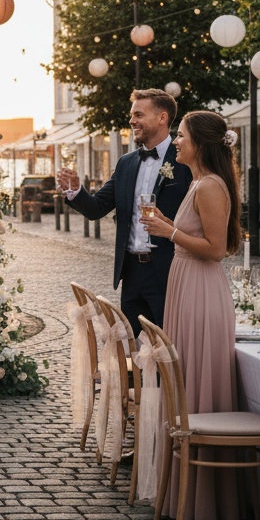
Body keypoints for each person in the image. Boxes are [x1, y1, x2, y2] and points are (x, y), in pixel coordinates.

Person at [139, 110, 243, 520]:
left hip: (202, 290)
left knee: (198, 377)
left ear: (199, 142)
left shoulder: (212, 186)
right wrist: (168, 225)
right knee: (185, 379)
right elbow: (195, 236)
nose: (176, 141)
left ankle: (205, 498)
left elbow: (216, 249)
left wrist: (169, 234)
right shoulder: (198, 183)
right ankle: (183, 488)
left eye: (180, 135)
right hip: (187, 286)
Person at [57, 88, 192, 335]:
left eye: (139, 114)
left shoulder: (184, 160)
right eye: (132, 115)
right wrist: (75, 191)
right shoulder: (126, 163)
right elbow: (97, 208)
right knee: (132, 350)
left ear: (162, 118)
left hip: (170, 272)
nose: (131, 121)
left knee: (169, 349)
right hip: (131, 275)